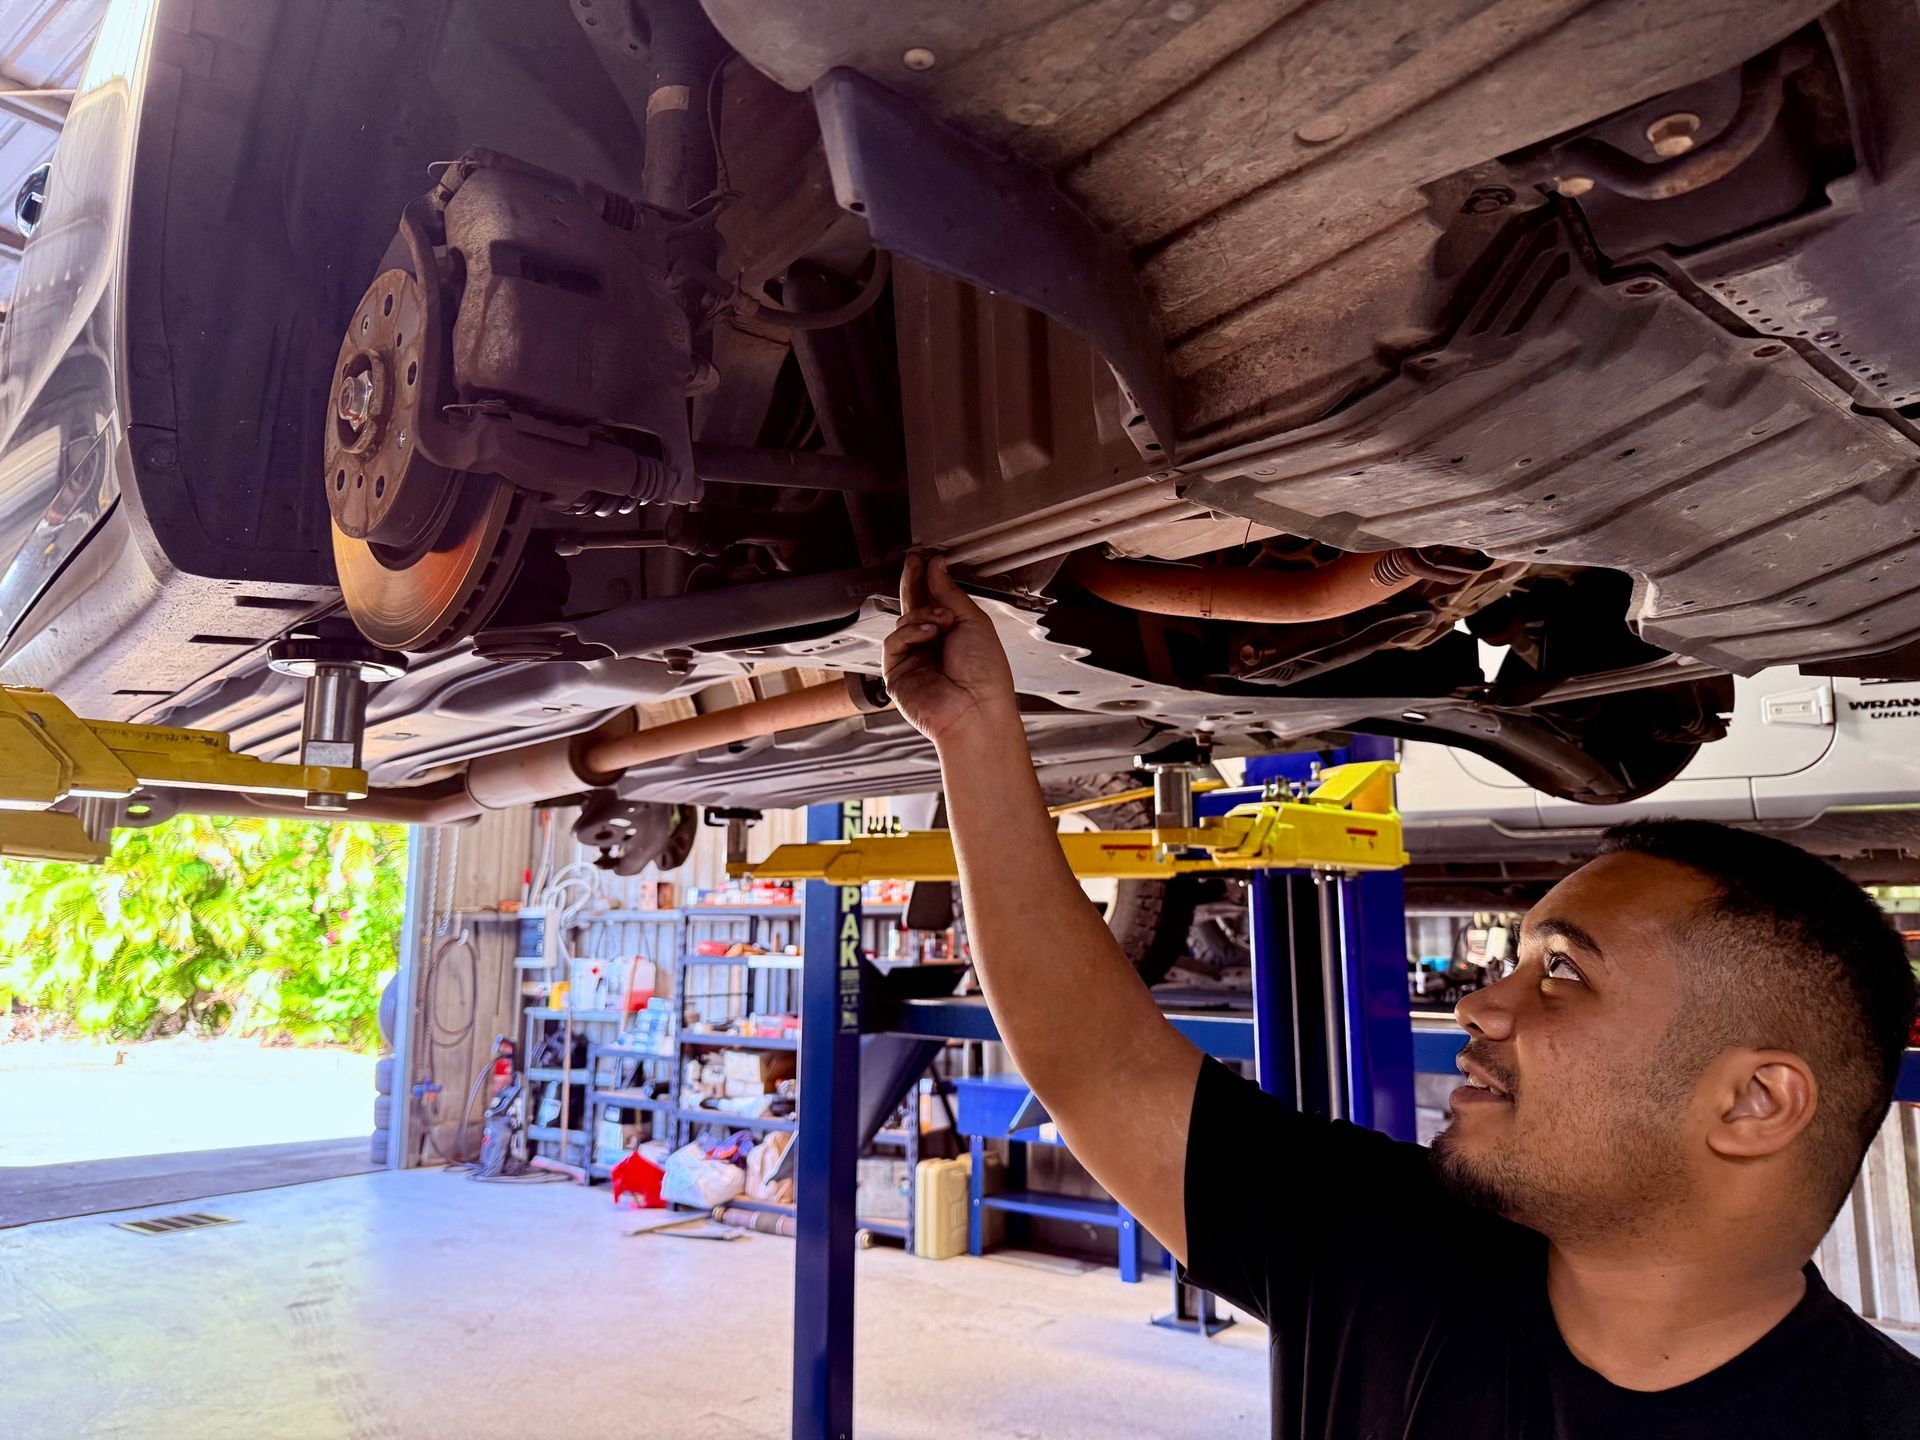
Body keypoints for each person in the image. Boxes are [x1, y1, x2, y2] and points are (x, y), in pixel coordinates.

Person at [883, 551, 1920, 1438]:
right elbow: (1098, 1067)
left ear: (1754, 1103)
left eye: (1562, 971)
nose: (1481, 1006)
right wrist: (976, 733)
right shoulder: (1393, 1252)